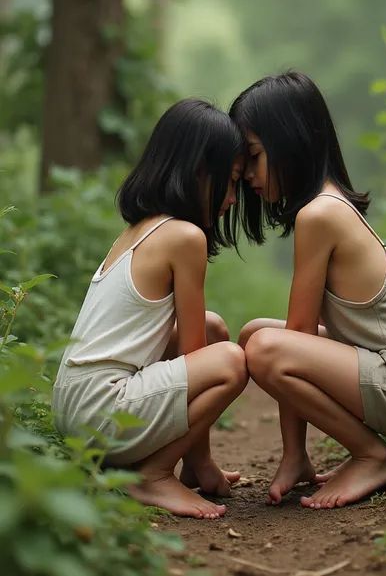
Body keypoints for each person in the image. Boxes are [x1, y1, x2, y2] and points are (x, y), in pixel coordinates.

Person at [228, 71, 386, 510]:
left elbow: (297, 337)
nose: (248, 175)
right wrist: (296, 457)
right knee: (255, 334)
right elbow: (298, 337)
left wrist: (291, 454)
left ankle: (375, 456)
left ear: (290, 141)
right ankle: (345, 454)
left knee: (267, 348)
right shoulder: (325, 207)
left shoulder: (320, 215)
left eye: (254, 156)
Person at [52, 99, 248, 519]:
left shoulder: (139, 229)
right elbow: (198, 361)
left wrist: (202, 465)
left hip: (74, 405)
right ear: (200, 171)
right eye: (229, 182)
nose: (232, 198)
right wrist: (202, 459)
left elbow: (196, 346)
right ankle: (154, 476)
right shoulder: (183, 237)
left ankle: (183, 468)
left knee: (214, 329)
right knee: (230, 361)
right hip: (102, 409)